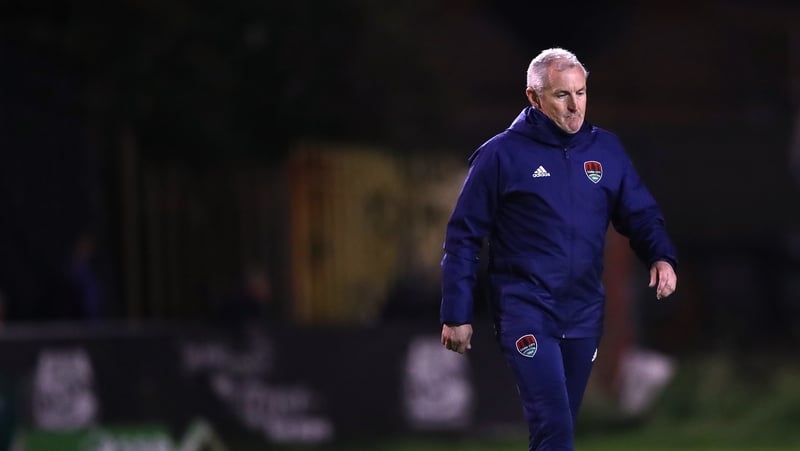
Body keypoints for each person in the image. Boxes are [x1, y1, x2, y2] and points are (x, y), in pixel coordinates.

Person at [439, 48, 678, 450]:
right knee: (555, 426)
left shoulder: (606, 151)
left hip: (584, 310)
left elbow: (640, 213)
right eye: (561, 95)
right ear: (534, 98)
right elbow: (463, 236)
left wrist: (661, 255)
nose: (575, 106)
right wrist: (456, 313)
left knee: (559, 425)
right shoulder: (500, 155)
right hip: (525, 309)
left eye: (581, 93)